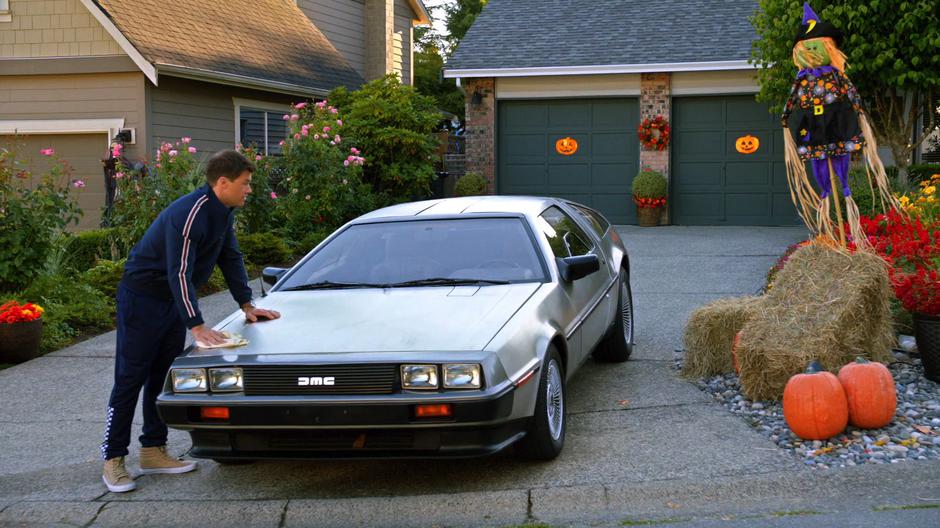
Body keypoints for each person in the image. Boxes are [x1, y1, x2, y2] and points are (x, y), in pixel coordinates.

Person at [100, 149, 280, 492]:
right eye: (245, 183)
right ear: (223, 182)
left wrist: (247, 304)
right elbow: (179, 272)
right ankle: (113, 459)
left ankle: (153, 451)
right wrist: (196, 324)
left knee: (160, 377)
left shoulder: (223, 211)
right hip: (142, 300)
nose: (249, 189)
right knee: (130, 379)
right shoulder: (190, 213)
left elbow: (230, 255)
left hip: (169, 302)